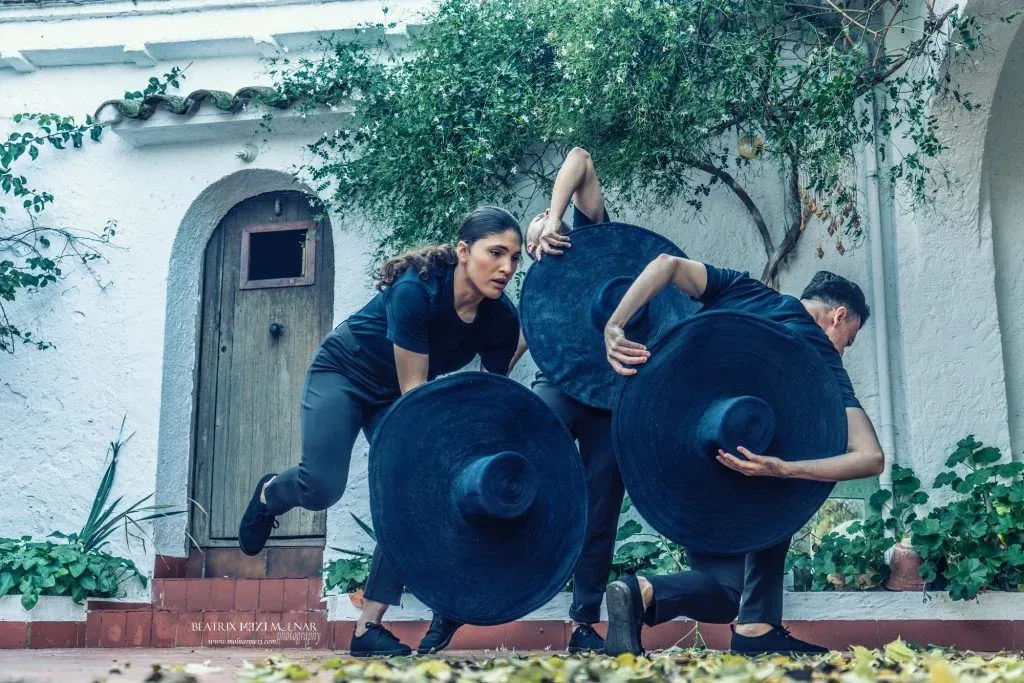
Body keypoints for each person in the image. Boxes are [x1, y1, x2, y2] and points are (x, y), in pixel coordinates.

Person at [237, 207, 524, 657]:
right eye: (497, 253)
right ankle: (271, 495)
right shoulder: (416, 291)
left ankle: (367, 628)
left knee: (415, 493)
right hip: (346, 372)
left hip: (399, 393)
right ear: (464, 251)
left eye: (515, 257)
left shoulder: (501, 319)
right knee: (322, 487)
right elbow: (414, 396)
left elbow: (490, 398)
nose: (507, 267)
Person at [602, 258, 885, 656]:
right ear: (839, 316)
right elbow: (870, 458)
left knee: (724, 579)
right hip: (733, 485)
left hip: (674, 458)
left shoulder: (744, 291)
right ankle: (667, 598)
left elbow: (665, 265)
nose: (843, 350)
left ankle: (744, 623)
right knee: (779, 492)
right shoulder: (823, 361)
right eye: (848, 339)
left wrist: (614, 325)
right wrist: (783, 469)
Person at [415, 147, 621, 655]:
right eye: (526, 238)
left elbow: (579, 158)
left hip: (612, 396)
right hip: (558, 384)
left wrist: (553, 218)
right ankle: (454, 608)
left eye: (539, 232)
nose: (530, 245)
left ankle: (584, 626)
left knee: (599, 509)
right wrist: (495, 381)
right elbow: (527, 334)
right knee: (502, 479)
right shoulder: (541, 273)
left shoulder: (592, 236)